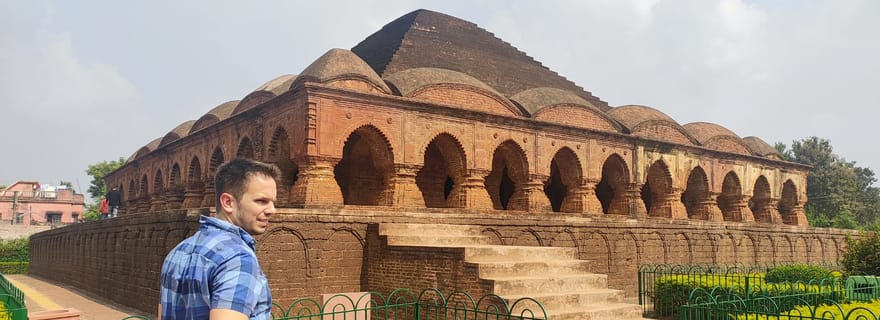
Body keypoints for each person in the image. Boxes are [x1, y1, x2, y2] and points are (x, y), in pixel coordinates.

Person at [160, 158, 279, 320]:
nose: (272, 210)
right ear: (228, 202)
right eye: (261, 201)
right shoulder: (237, 257)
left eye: (273, 202)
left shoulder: (177, 252)